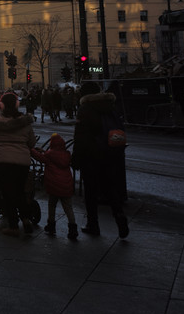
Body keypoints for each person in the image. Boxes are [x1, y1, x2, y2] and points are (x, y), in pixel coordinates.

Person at [71, 81, 129, 238]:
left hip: (91, 155)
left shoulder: (85, 109)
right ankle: (119, 216)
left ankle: (93, 224)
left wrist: (75, 157)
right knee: (110, 188)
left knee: (90, 192)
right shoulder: (110, 106)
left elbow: (80, 136)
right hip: (110, 154)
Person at [0, 91, 37, 236]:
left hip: (2, 160)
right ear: (16, 104)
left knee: (7, 192)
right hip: (22, 161)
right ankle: (26, 219)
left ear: (1, 105)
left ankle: (13, 225)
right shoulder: (25, 121)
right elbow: (31, 142)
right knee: (20, 191)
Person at [31, 133, 78, 239]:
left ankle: (51, 225)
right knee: (68, 208)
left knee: (52, 205)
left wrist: (32, 150)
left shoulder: (49, 155)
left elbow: (40, 158)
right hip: (66, 186)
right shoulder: (66, 155)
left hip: (54, 186)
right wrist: (44, 152)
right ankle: (73, 227)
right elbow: (53, 156)